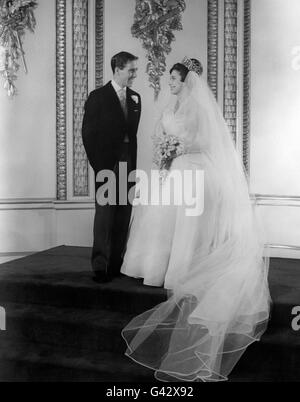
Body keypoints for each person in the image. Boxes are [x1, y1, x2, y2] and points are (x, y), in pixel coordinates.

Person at [121, 58, 271, 381]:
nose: (170, 85)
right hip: (172, 169)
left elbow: (207, 142)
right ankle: (154, 268)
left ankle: (181, 269)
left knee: (184, 221)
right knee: (161, 220)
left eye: (175, 80)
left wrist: (179, 146)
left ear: (187, 81)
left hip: (191, 168)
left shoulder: (199, 110)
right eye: (170, 80)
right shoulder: (169, 108)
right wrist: (163, 148)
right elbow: (159, 136)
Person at [82, 52, 141, 283]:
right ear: (117, 70)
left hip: (128, 163)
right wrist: (99, 166)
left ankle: (116, 264)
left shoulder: (136, 98)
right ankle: (100, 266)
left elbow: (131, 136)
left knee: (123, 214)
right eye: (131, 70)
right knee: (105, 215)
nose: (135, 74)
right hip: (106, 164)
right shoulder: (97, 97)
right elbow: (88, 134)